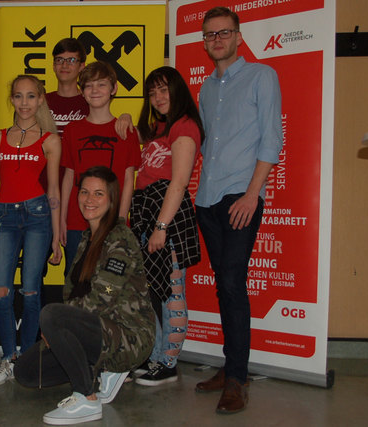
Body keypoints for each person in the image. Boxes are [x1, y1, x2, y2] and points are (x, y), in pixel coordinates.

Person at [14, 166, 155, 425]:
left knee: (52, 313)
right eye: (85, 192)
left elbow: (103, 297)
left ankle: (86, 398)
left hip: (129, 335)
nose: (89, 200)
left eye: (99, 194)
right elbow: (74, 295)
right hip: (99, 330)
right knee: (27, 372)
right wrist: (58, 330)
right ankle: (99, 370)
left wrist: (59, 322)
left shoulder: (119, 238)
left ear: (112, 199)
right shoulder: (87, 238)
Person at [194, 6, 283, 414]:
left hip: (240, 198)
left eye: (224, 33)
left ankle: (237, 380)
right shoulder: (206, 89)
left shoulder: (262, 76)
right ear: (205, 41)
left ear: (238, 35)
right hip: (208, 200)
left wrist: (252, 194)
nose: (217, 40)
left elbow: (271, 140)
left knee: (232, 283)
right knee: (223, 285)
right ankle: (230, 367)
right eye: (210, 35)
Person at [0, 75, 63, 386]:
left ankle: (26, 358)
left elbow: (54, 189)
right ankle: (7, 357)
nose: (25, 103)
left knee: (31, 290)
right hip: (4, 217)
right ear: (12, 100)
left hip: (38, 215)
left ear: (41, 99)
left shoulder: (50, 140)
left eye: (31, 96)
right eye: (19, 96)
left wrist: (57, 237)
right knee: (1, 291)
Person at [130, 66, 204, 386]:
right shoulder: (159, 127)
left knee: (172, 291)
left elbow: (178, 183)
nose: (158, 97)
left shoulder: (185, 126)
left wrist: (161, 226)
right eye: (152, 92)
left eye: (164, 90)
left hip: (168, 214)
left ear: (177, 91)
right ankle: (158, 356)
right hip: (148, 209)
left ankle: (170, 363)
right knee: (155, 292)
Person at [60, 61, 141, 277]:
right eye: (89, 85)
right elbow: (68, 177)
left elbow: (128, 180)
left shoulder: (126, 131)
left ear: (113, 89)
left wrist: (121, 220)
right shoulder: (72, 130)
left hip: (112, 222)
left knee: (109, 284)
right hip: (77, 222)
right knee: (76, 281)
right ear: (82, 91)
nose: (95, 90)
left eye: (101, 84)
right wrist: (61, 219)